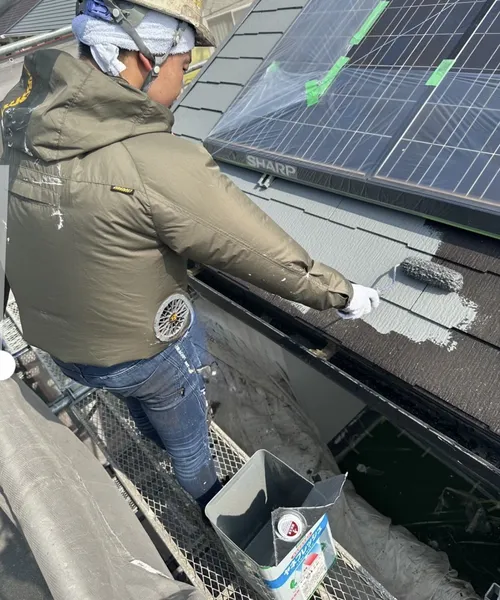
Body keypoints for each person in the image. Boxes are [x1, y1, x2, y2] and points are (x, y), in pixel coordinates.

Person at [0, 0, 379, 510]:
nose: (182, 83)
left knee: (139, 398)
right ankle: (206, 501)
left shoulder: (25, 125)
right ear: (144, 59)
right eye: (182, 65)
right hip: (143, 351)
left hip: (66, 350)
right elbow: (256, 250)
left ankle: (157, 436)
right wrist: (342, 294)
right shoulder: (151, 161)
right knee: (186, 429)